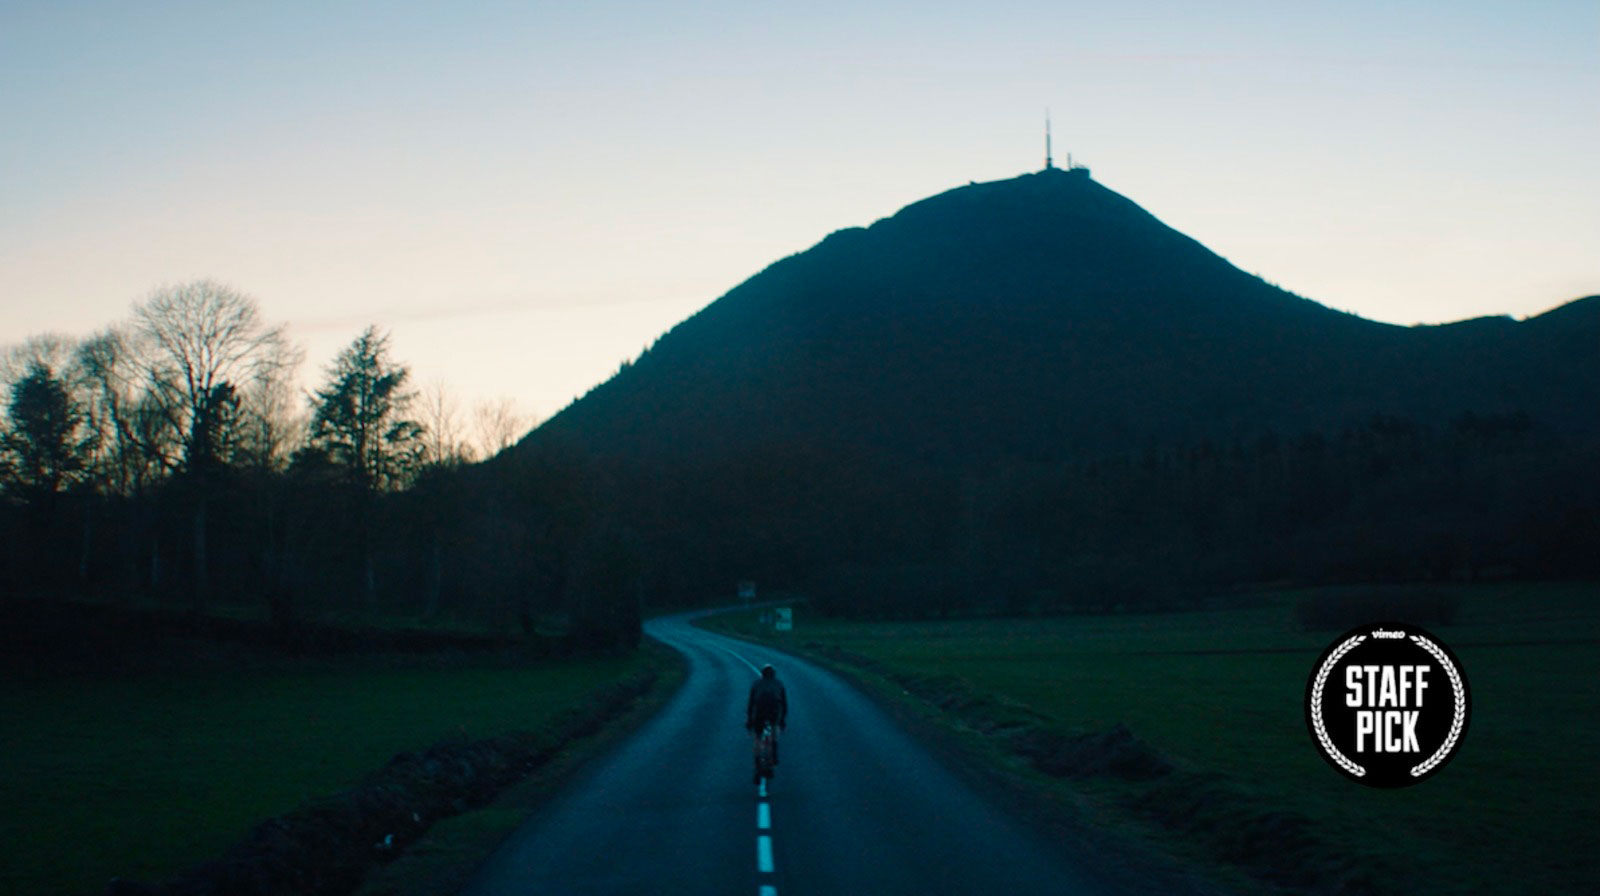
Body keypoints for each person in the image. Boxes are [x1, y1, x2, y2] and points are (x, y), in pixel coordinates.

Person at [746, 664, 788, 769]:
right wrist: (782, 721)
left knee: (758, 736)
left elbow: (751, 704)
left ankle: (757, 759)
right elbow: (784, 704)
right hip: (774, 710)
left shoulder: (756, 684)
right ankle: (774, 750)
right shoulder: (779, 684)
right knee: (774, 728)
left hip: (760, 710)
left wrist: (749, 721)